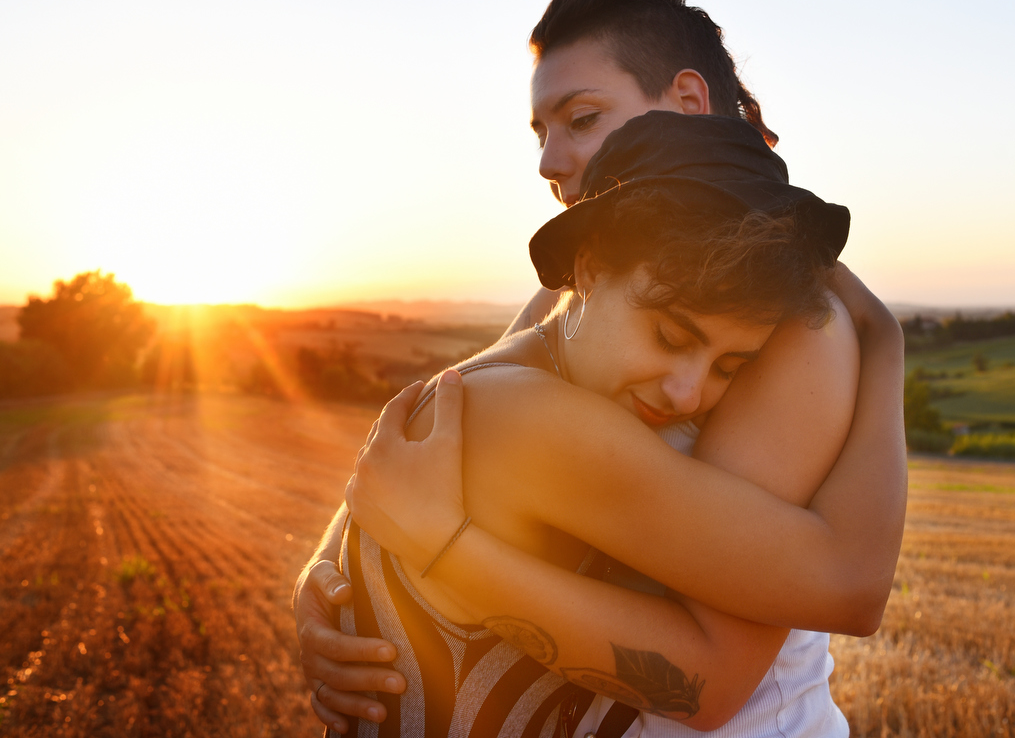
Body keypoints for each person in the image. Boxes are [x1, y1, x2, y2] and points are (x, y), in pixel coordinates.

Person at [293, 0, 906, 735]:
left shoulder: (791, 323)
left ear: (688, 101)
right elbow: (439, 418)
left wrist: (444, 552)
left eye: (582, 119)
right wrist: (330, 586)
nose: (551, 161)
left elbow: (835, 589)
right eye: (541, 130)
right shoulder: (581, 292)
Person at [341, 109, 852, 738]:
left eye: (731, 365)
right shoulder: (537, 422)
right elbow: (715, 682)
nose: (689, 392)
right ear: (586, 270)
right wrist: (881, 340)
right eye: (669, 335)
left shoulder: (503, 379)